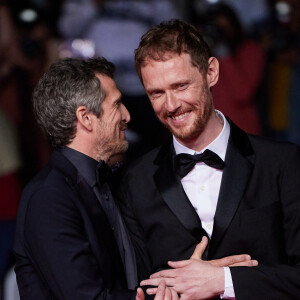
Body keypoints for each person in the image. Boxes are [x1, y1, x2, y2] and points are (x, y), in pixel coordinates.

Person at [116, 19, 300, 299]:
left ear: (211, 72)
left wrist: (223, 280)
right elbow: (137, 285)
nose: (171, 105)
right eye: (157, 93)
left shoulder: (282, 163)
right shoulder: (134, 181)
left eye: (180, 86)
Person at [13, 57, 177, 300]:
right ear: (86, 117)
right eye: (117, 104)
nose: (127, 115)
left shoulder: (112, 181)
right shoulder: (49, 198)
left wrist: (182, 279)